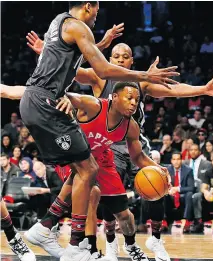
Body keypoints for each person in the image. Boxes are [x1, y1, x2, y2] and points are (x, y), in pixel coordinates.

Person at [1, 40, 213, 261]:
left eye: (125, 57)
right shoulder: (98, 83)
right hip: (86, 149)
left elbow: (172, 91)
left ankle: (140, 241)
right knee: (90, 187)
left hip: (118, 148)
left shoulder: (136, 98)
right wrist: (48, 56)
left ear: (132, 62)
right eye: (115, 57)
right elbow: (65, 75)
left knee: (135, 201)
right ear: (108, 61)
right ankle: (82, 243)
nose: (120, 61)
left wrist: (202, 89)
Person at [1, 2, 179, 261]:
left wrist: (102, 44)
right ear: (89, 5)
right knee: (88, 171)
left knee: (85, 170)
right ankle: (76, 244)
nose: (98, 14)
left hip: (37, 99)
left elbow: (71, 61)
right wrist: (145, 76)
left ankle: (48, 228)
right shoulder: (80, 32)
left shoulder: (58, 22)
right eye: (97, 8)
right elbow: (102, 70)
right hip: (47, 102)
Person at [28, 82, 171, 261]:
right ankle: (81, 245)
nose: (134, 103)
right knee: (92, 189)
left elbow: (138, 157)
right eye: (129, 98)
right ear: (115, 97)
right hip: (72, 157)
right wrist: (65, 97)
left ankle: (131, 245)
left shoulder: (130, 126)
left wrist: (159, 169)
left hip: (102, 161)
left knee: (125, 216)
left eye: (137, 99)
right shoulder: (95, 106)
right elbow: (75, 97)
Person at [166, 152, 194, 233]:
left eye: (178, 159)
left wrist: (177, 189)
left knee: (190, 194)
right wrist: (169, 190)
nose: (176, 161)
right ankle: (163, 221)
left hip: (183, 194)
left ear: (181, 160)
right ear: (171, 161)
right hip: (170, 194)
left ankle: (186, 221)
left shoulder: (188, 170)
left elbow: (191, 187)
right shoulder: (167, 170)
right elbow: (163, 185)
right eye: (174, 159)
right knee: (163, 195)